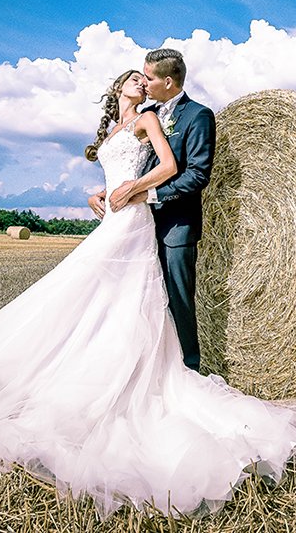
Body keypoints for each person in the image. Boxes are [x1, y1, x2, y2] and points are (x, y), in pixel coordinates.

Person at [0, 68, 296, 520]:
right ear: (118, 86)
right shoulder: (116, 127)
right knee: (90, 296)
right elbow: (119, 164)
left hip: (135, 219)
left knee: (120, 295)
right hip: (113, 218)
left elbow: (170, 168)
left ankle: (131, 378)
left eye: (148, 79)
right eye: (135, 78)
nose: (142, 83)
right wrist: (99, 193)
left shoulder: (149, 120)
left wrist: (133, 190)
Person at [90, 48, 213, 371]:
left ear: (168, 81)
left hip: (176, 224)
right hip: (136, 221)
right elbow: (138, 167)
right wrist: (106, 192)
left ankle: (188, 369)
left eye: (149, 76)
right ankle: (141, 366)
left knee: (177, 299)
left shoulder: (198, 115)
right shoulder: (150, 115)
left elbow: (197, 175)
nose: (143, 81)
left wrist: (148, 195)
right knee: (133, 298)